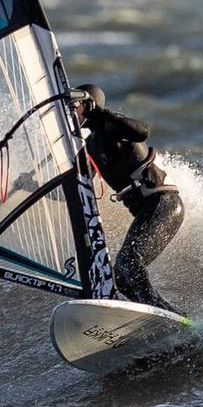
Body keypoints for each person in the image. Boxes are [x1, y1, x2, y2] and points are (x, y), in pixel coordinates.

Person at [69, 84, 183, 312]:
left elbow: (142, 132)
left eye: (75, 106)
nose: (71, 112)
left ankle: (164, 313)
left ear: (90, 104)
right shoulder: (91, 145)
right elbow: (79, 185)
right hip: (146, 210)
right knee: (120, 276)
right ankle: (161, 316)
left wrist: (102, 113)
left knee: (128, 261)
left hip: (163, 204)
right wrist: (28, 185)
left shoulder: (113, 125)